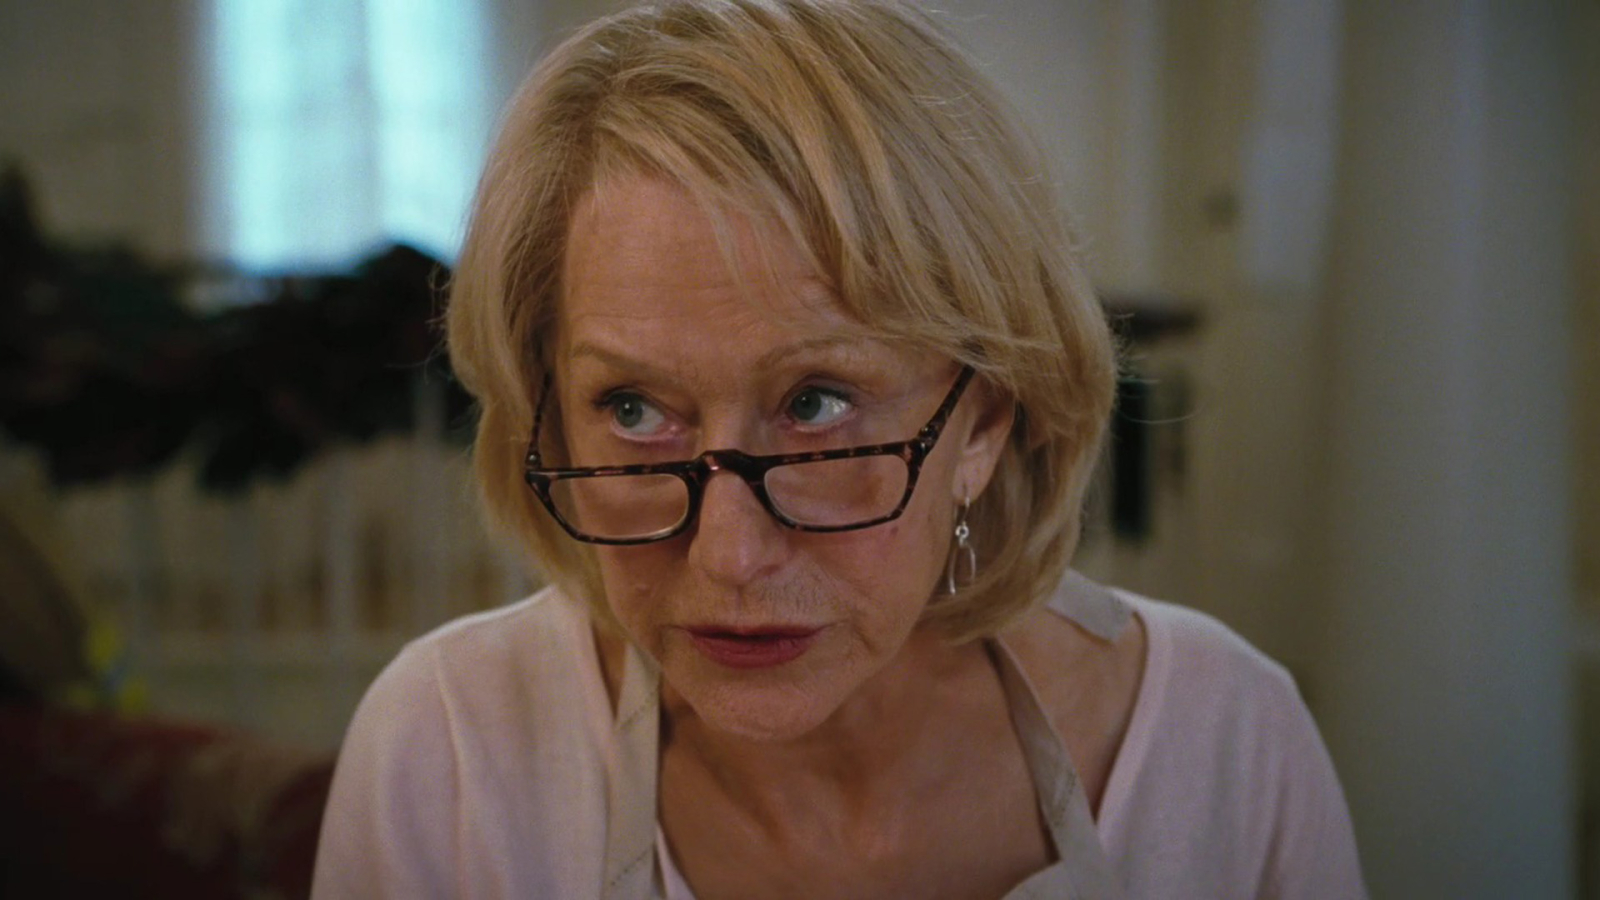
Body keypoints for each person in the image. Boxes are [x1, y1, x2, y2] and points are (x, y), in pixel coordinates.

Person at [311, 1, 1367, 897]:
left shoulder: (1218, 745)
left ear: (985, 422)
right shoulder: (449, 755)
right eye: (632, 408)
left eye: (817, 404)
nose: (729, 557)